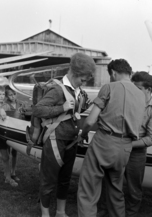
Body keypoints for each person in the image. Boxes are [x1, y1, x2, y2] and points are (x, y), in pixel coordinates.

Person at [77, 59, 146, 217]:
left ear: (113, 73)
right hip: (125, 147)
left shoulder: (109, 87)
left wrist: (83, 135)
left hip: (105, 142)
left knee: (88, 189)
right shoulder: (141, 94)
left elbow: (90, 120)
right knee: (116, 190)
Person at [32, 52, 96, 217]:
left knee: (65, 179)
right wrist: (62, 108)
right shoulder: (57, 89)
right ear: (74, 73)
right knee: (48, 179)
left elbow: (77, 114)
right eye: (83, 79)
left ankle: (60, 212)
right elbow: (38, 109)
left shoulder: (78, 90)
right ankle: (45, 214)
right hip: (55, 140)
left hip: (71, 141)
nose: (84, 83)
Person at [125, 71, 152, 217]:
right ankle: (107, 211)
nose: (134, 91)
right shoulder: (128, 103)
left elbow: (151, 139)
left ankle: (131, 214)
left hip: (136, 154)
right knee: (111, 182)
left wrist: (128, 145)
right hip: (120, 148)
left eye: (138, 88)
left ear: (148, 89)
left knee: (133, 188)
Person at [4, 85, 25, 181]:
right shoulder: (5, 105)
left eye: (14, 94)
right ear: (7, 96)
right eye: (10, 95)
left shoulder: (19, 103)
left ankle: (13, 172)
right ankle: (7, 173)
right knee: (7, 153)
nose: (13, 96)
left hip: (17, 130)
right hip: (8, 131)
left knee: (15, 152)